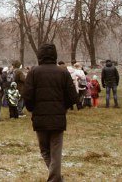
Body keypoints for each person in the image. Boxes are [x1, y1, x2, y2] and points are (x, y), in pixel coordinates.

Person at [23, 43, 78, 182]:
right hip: (58, 118)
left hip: (40, 117)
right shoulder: (63, 72)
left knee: (45, 151)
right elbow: (73, 97)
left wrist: (32, 109)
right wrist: (63, 107)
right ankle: (57, 178)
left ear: (39, 55)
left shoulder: (33, 72)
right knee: (55, 151)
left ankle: (54, 179)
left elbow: (27, 96)